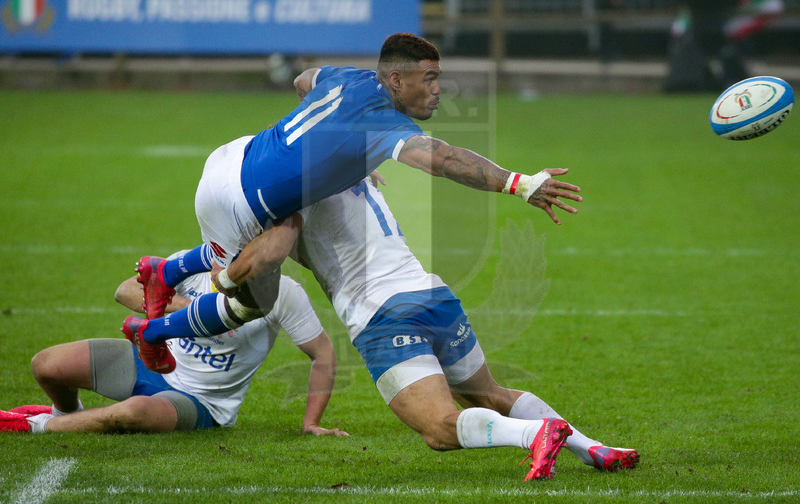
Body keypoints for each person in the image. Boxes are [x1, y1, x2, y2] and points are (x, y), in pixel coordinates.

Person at [128, 32, 582, 373]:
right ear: (397, 80)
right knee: (252, 302)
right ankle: (151, 333)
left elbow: (303, 78)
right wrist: (520, 184)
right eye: (430, 79)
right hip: (241, 202)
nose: (438, 89)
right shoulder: (383, 121)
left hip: (234, 156)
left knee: (277, 232)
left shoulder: (350, 77)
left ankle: (164, 270)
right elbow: (443, 159)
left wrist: (343, 151)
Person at [126, 180, 638, 480]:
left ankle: (533, 435)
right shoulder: (353, 163)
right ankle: (591, 447)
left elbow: (270, 253)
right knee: (489, 393)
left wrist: (221, 276)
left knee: (439, 429)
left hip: (381, 315)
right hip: (432, 293)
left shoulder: (289, 193)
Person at [0, 251, 347, 437]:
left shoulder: (283, 293)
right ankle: (66, 414)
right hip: (149, 361)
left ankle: (36, 426)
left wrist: (311, 424)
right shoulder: (196, 265)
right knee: (45, 365)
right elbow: (125, 289)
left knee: (132, 414)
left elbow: (323, 356)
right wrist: (189, 309)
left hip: (198, 400)